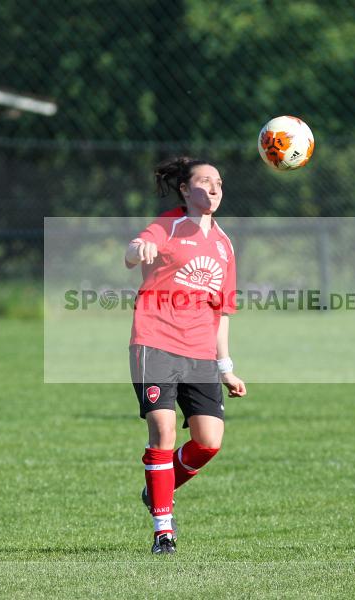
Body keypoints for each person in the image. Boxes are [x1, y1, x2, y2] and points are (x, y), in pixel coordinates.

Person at [126, 157, 247, 554]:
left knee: (208, 442)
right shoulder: (169, 224)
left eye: (219, 183)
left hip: (199, 352)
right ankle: (164, 529)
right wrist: (138, 248)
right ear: (184, 190)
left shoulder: (225, 245)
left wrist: (225, 367)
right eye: (204, 182)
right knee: (161, 431)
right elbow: (134, 250)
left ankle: (156, 485)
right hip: (155, 340)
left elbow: (222, 312)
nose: (213, 188)